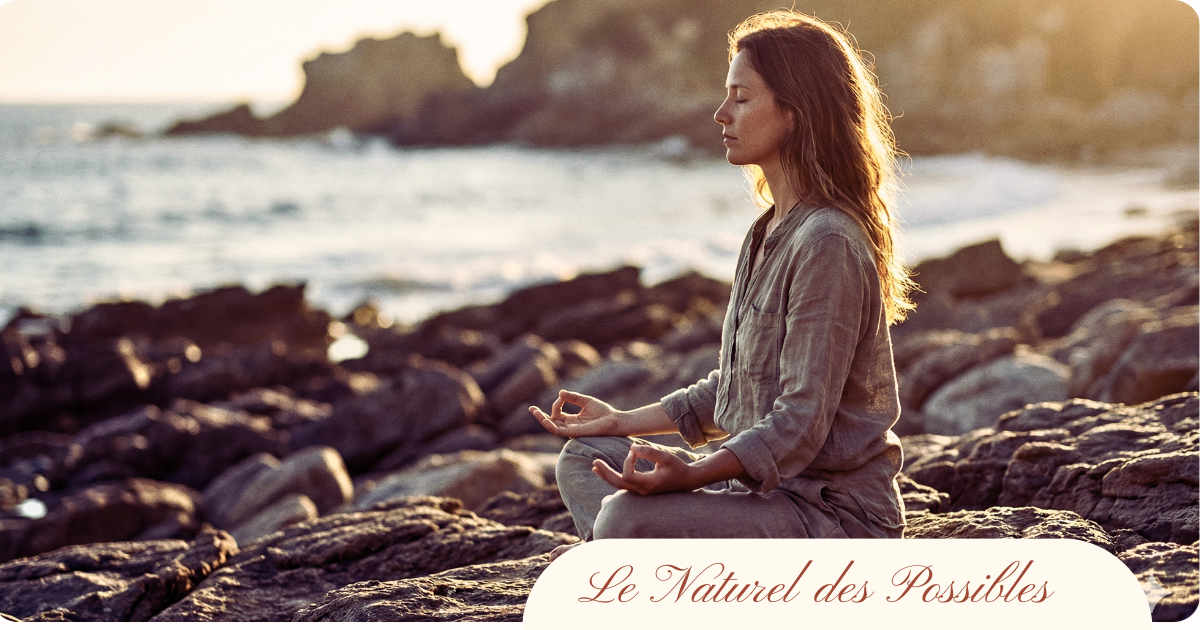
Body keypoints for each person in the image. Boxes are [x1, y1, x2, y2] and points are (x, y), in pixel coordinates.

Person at [528, 10, 916, 551]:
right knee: (583, 458)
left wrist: (692, 475)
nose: (720, 114)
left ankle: (642, 570)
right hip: (762, 495)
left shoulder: (827, 241)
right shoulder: (766, 231)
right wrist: (618, 422)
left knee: (622, 520)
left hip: (832, 516)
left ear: (796, 111)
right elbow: (737, 389)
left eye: (741, 98)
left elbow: (801, 421)